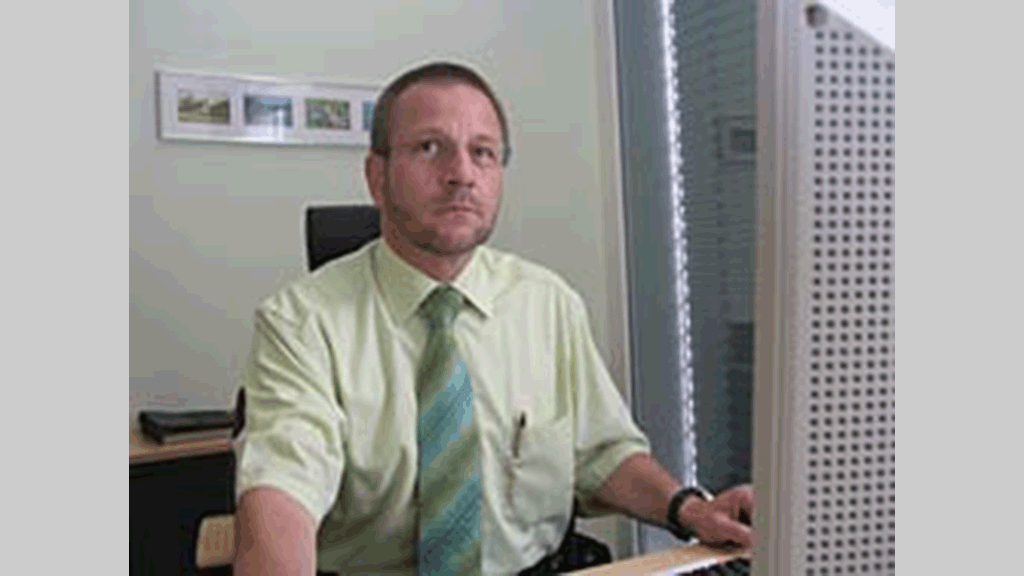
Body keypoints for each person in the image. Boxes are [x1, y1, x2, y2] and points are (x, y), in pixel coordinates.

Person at [233, 62, 754, 576]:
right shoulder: (301, 322)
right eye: (429, 147)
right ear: (377, 176)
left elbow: (602, 455)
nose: (461, 174)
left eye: (482, 152)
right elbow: (282, 488)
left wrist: (690, 510)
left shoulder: (548, 304)